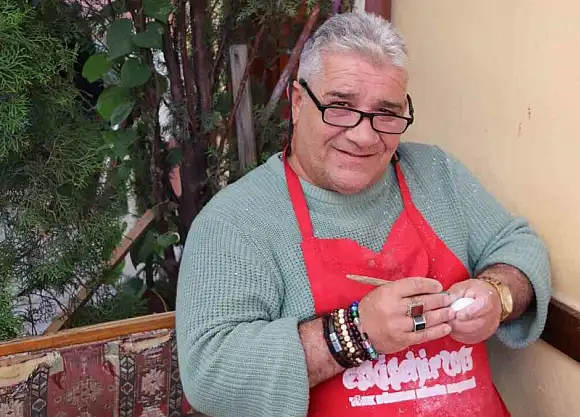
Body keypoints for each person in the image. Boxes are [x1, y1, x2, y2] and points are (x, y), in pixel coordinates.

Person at [176, 10, 552, 417]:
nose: (363, 135)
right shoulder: (235, 220)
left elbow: (519, 246)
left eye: (386, 113)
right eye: (340, 106)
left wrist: (498, 295)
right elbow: (210, 374)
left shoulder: (436, 174)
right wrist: (357, 333)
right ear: (298, 102)